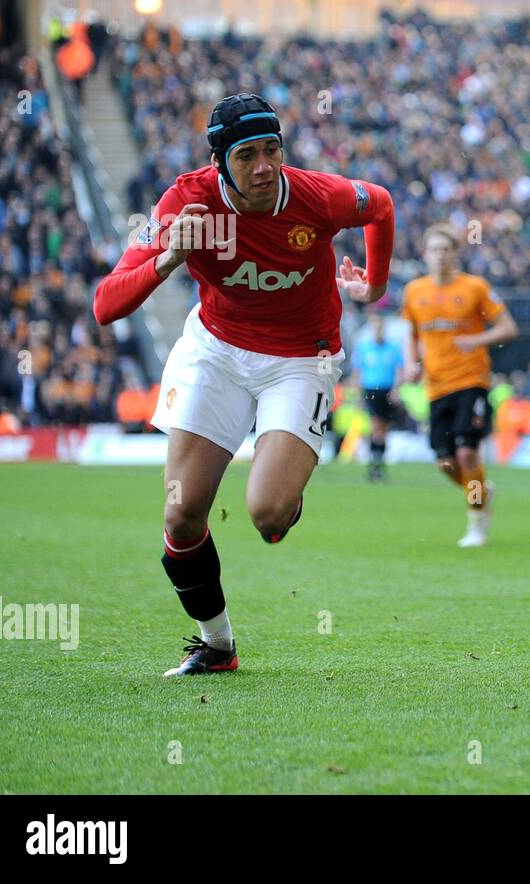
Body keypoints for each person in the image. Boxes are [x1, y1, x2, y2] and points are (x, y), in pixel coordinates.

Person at [93, 92, 393, 676]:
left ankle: (286, 483)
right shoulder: (188, 204)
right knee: (181, 514)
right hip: (217, 352)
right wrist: (167, 259)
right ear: (219, 162)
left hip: (301, 358)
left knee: (270, 516)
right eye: (247, 155)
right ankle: (217, 645)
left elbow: (379, 207)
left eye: (272, 150)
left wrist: (374, 287)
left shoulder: (317, 196)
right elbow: (107, 304)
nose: (263, 167)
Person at [402, 223, 519, 547]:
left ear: (455, 254)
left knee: (468, 454)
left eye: (446, 250)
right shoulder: (414, 292)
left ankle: (477, 525)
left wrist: (477, 339)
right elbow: (410, 334)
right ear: (425, 254)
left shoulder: (475, 287)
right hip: (436, 387)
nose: (440, 256)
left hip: (472, 381)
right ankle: (480, 489)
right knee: (446, 463)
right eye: (434, 250)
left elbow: (508, 328)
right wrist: (412, 364)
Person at [352, 314, 402, 481]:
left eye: (380, 328)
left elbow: (398, 370)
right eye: (375, 329)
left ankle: (378, 466)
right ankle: (374, 466)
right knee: (376, 427)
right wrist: (358, 395)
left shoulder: (392, 348)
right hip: (371, 390)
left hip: (386, 391)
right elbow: (357, 372)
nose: (378, 332)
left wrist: (396, 389)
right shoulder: (365, 348)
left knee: (383, 430)